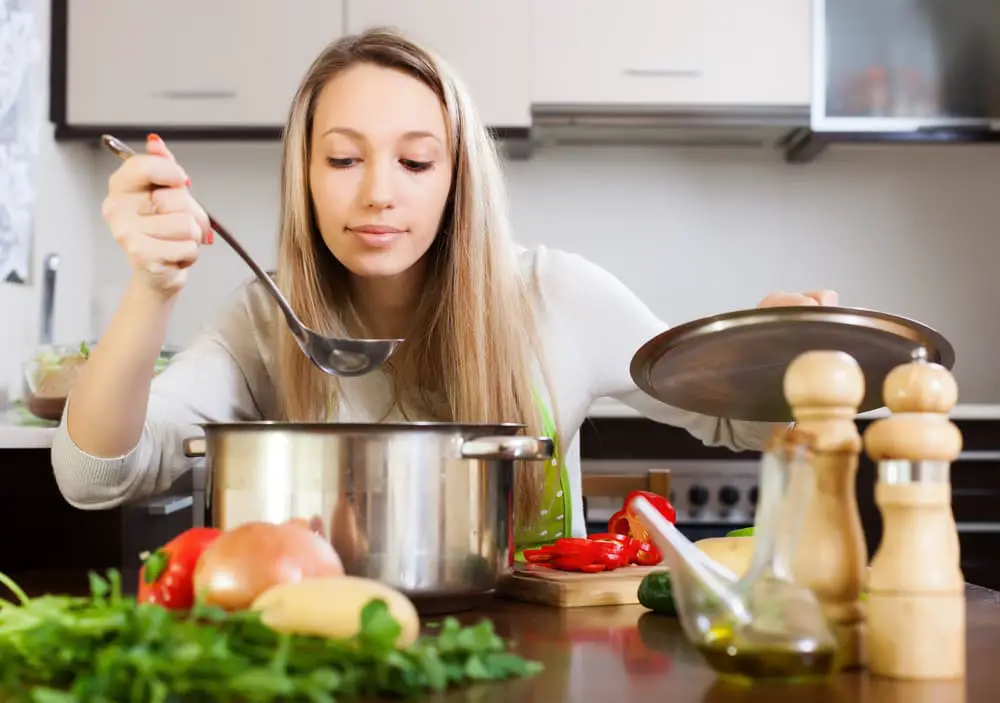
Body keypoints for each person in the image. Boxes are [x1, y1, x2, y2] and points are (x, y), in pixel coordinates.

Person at [50, 27, 837, 550]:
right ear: (305, 178)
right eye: (344, 159)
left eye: (416, 161)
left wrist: (779, 355)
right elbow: (97, 475)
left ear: (458, 178)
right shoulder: (264, 323)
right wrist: (150, 290)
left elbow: (745, 424)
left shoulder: (556, 295)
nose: (379, 194)